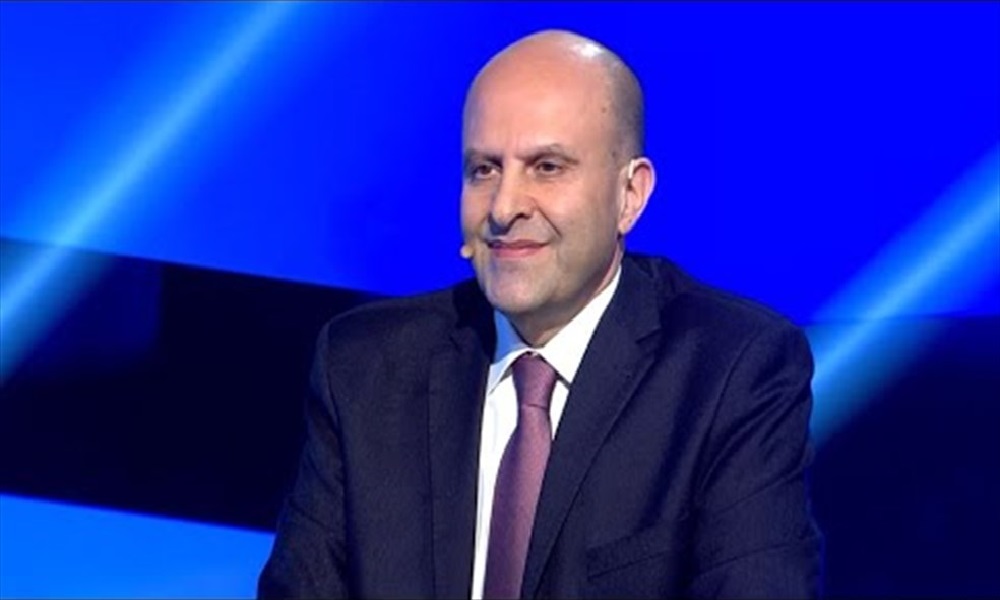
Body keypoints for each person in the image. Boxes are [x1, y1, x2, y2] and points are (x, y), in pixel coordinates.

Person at [258, 29, 822, 599]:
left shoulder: (732, 373)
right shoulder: (364, 368)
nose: (504, 208)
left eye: (547, 167)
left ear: (630, 195)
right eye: (484, 170)